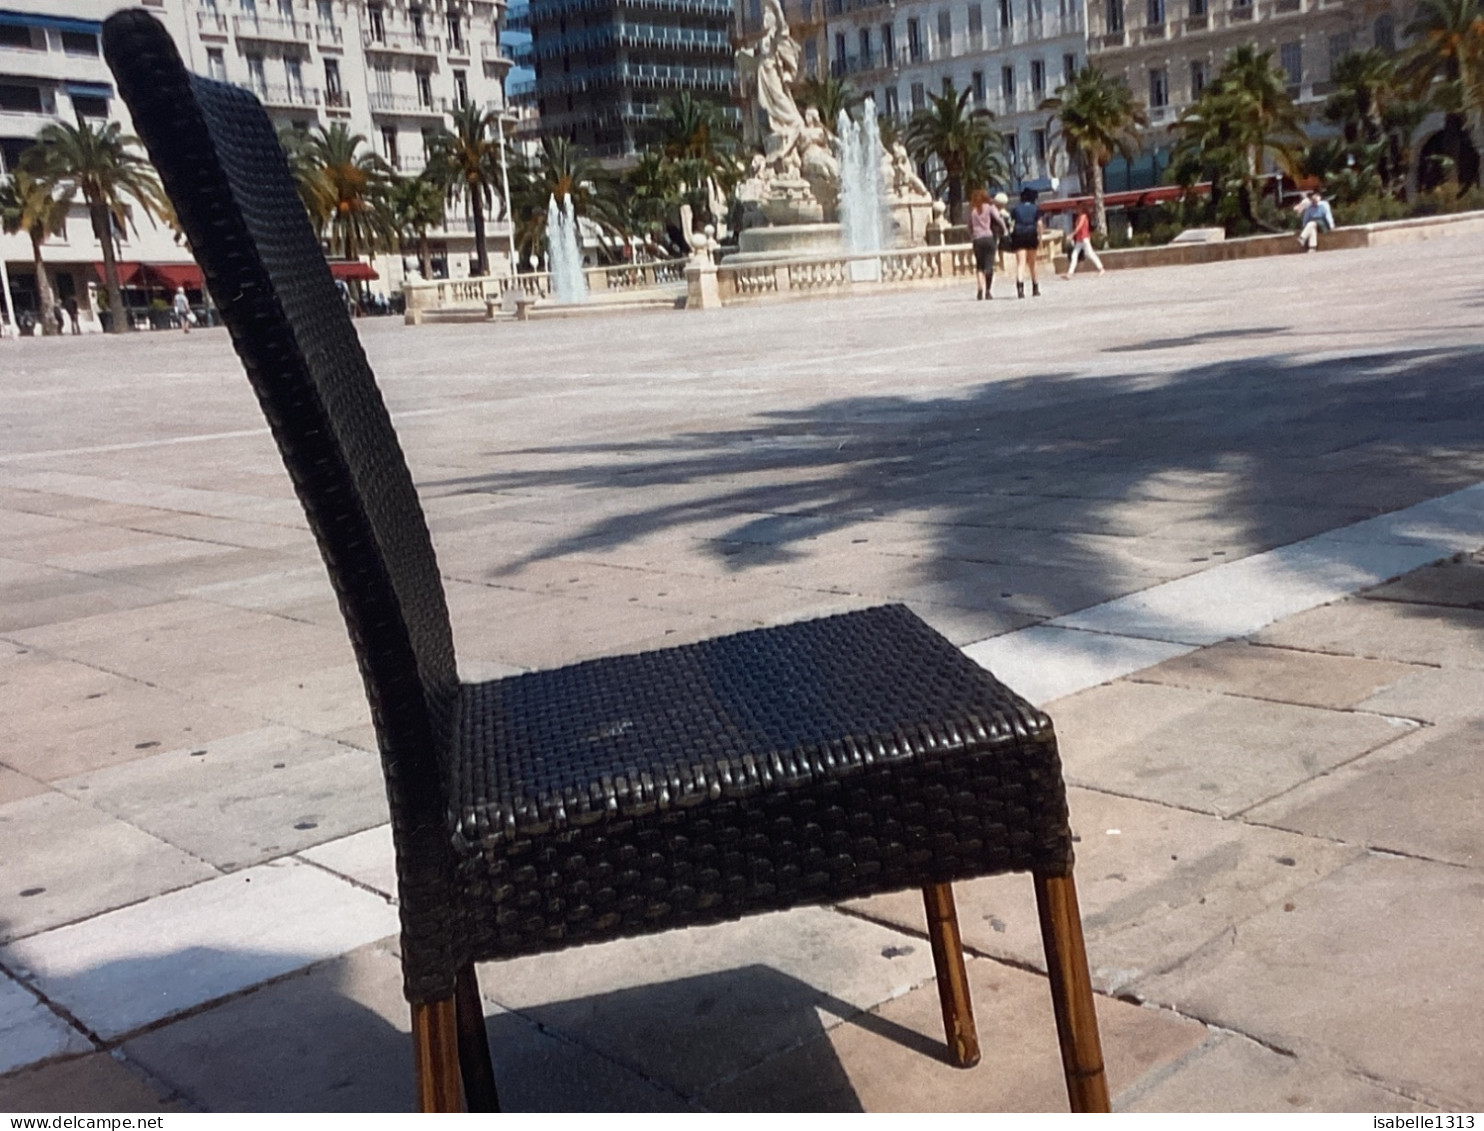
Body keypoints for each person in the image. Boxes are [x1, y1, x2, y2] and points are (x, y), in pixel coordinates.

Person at [967, 188, 1006, 300]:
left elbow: (969, 226)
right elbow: (998, 219)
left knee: (979, 265)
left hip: (977, 239)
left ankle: (980, 288)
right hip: (988, 238)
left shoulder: (973, 211)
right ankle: (988, 291)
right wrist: (1004, 230)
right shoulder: (989, 208)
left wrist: (972, 236)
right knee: (989, 265)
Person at [1008, 187, 1043, 298]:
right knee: (1032, 263)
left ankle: (1020, 288)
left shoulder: (1016, 209)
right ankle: (1035, 287)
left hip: (1019, 235)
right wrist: (1040, 238)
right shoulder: (1035, 209)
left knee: (1021, 263)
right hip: (1031, 234)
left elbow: (1011, 224)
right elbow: (1040, 224)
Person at [1064, 205, 1105, 278]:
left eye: (1078, 208)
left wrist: (1072, 235)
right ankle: (1070, 273)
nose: (1077, 209)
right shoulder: (1078, 217)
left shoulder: (1083, 216)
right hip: (1079, 240)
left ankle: (1101, 268)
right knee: (1074, 255)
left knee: (1090, 254)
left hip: (1084, 238)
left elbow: (1079, 227)